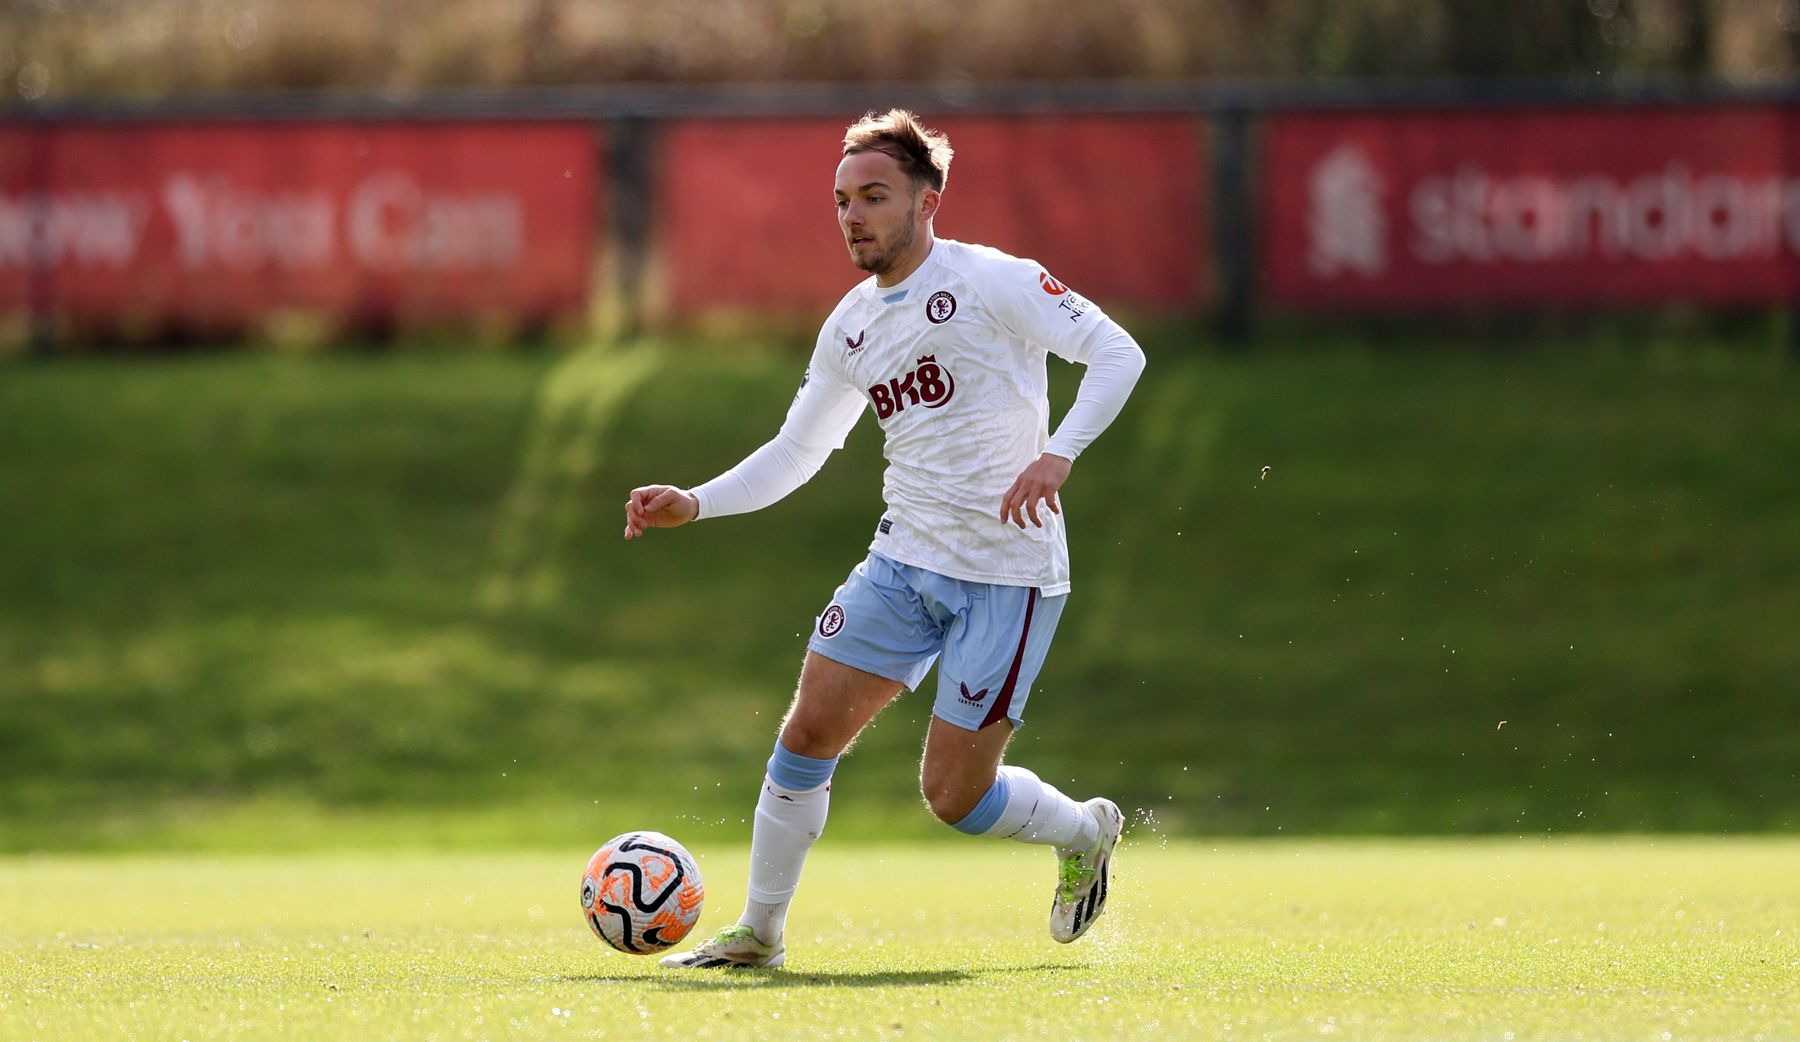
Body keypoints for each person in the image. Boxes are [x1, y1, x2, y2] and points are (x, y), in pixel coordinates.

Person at [623, 109, 1147, 969]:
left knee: (952, 796)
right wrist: (697, 501)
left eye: (874, 196)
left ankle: (1084, 830)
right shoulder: (852, 326)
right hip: (902, 565)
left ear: (927, 201)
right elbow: (799, 449)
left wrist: (1058, 457)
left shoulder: (992, 280)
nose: (854, 216)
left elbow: (1117, 352)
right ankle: (760, 933)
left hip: (1007, 574)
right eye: (841, 201)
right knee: (805, 736)